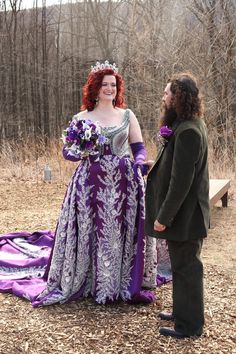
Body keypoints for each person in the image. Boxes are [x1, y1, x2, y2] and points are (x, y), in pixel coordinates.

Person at [0, 60, 159, 306]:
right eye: (105, 84)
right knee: (90, 231)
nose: (110, 89)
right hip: (88, 185)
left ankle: (119, 280)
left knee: (119, 231)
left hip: (124, 184)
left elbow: (138, 147)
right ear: (95, 88)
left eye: (113, 85)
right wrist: (81, 149)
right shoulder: (82, 117)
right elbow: (68, 153)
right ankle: (89, 279)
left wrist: (139, 163)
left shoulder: (127, 115)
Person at [145, 72, 210, 338]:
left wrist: (164, 217)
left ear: (178, 97)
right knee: (181, 266)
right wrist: (155, 165)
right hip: (185, 215)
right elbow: (177, 167)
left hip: (186, 216)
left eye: (167, 93)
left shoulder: (189, 132)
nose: (163, 97)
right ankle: (182, 312)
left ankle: (190, 326)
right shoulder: (187, 125)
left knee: (187, 268)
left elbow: (181, 183)